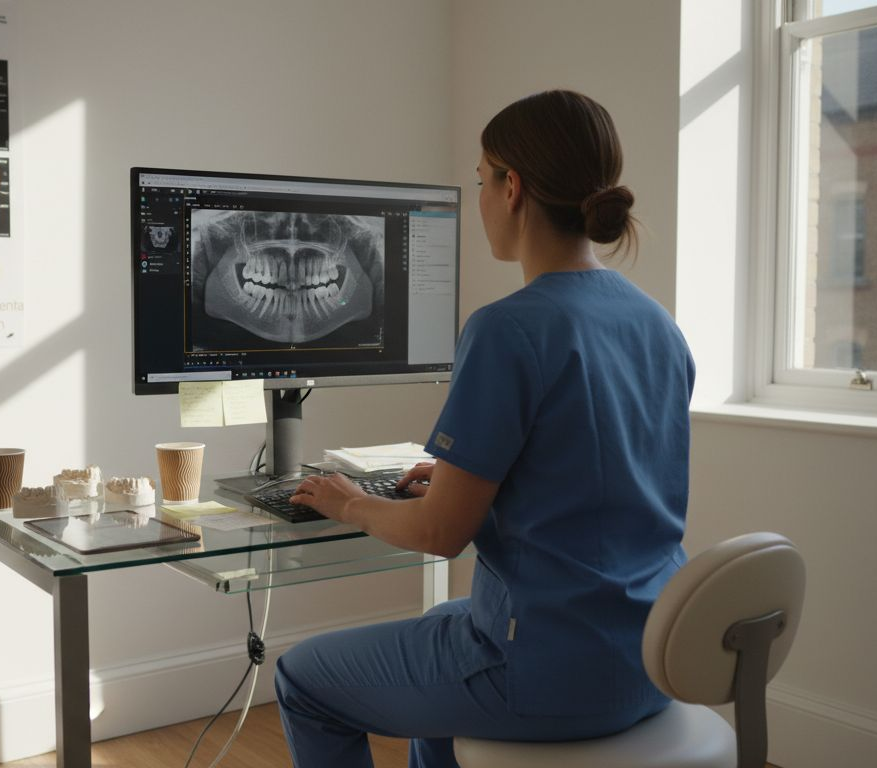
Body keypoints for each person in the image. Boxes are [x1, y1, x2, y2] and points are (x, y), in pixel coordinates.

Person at [274, 89, 696, 768]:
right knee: (442, 623)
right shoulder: (655, 322)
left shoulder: (507, 329)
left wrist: (350, 503)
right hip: (648, 658)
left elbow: (441, 535)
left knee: (303, 680)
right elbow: (601, 470)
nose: (478, 199)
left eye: (479, 180)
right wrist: (474, 476)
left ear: (512, 187)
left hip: (548, 673)